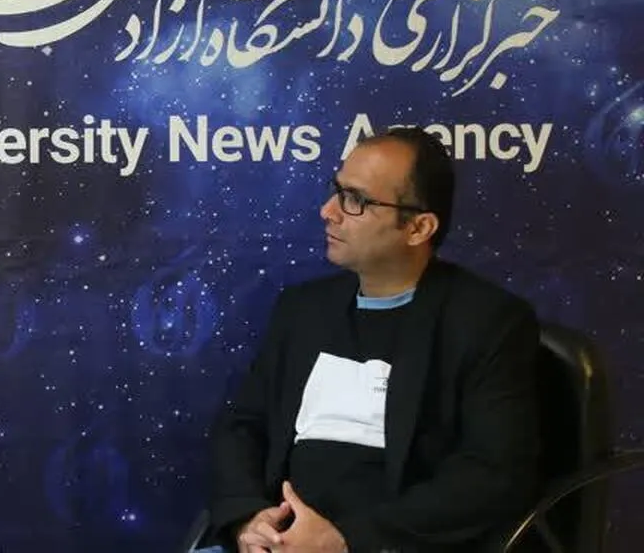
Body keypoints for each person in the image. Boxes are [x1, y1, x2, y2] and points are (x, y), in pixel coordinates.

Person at [201, 127, 540, 553]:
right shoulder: (302, 310)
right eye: (336, 190)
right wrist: (249, 518)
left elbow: (494, 474)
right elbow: (243, 426)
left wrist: (346, 540)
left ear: (418, 227)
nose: (328, 211)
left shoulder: (487, 322)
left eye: (356, 200)